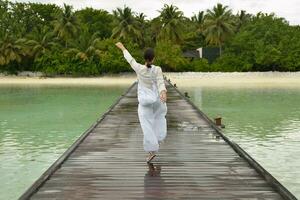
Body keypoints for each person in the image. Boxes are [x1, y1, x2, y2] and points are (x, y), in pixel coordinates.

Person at [115, 42, 167, 163]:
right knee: (158, 120)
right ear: (153, 58)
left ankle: (151, 152)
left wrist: (123, 48)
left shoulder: (139, 69)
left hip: (145, 102)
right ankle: (158, 140)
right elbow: (160, 82)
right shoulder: (157, 69)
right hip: (157, 101)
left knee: (147, 125)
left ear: (145, 59)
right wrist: (163, 92)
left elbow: (130, 60)